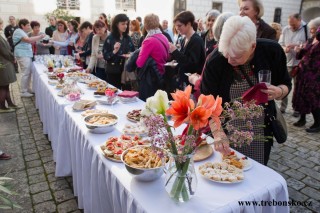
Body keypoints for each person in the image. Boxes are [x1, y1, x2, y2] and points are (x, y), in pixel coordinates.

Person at [201, 16, 291, 165]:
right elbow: (208, 103)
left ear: (253, 47)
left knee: (256, 170)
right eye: (226, 54)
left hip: (260, 129)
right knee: (225, 170)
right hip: (226, 128)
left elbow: (286, 83)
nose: (229, 60)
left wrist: (279, 91)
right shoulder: (215, 61)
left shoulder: (272, 51)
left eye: (236, 56)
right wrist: (218, 133)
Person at [189, 12, 234, 100]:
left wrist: (195, 80)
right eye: (209, 20)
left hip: (217, 99)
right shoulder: (203, 36)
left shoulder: (217, 54)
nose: (210, 22)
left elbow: (208, 89)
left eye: (213, 20)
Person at [292, 19, 320, 133]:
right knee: (301, 96)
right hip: (303, 73)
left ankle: (318, 123)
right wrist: (298, 50)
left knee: (313, 99)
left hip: (315, 76)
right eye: (310, 28)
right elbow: (300, 55)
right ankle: (302, 119)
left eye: (313, 28)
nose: (310, 30)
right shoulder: (310, 40)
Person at [278, 13, 309, 115]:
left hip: (300, 64)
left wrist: (298, 46)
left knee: (298, 87)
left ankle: (297, 109)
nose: (292, 27)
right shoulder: (286, 29)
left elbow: (310, 44)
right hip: (287, 62)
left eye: (294, 25)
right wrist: (285, 48)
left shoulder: (306, 29)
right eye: (290, 24)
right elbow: (280, 44)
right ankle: (283, 107)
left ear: (300, 20)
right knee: (285, 85)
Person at [134, 13, 169, 100]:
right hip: (162, 75)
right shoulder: (164, 37)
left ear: (145, 25)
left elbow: (139, 63)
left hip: (150, 79)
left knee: (147, 107)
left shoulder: (149, 40)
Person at [168, 11, 205, 92]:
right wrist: (175, 63)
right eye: (176, 26)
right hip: (184, 82)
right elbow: (183, 59)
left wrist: (175, 51)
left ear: (188, 24)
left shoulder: (196, 41)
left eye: (179, 25)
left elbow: (192, 64)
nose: (177, 28)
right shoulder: (184, 38)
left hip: (192, 85)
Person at [13, 18, 45, 98]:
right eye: (27, 25)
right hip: (23, 54)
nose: (29, 27)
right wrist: (40, 36)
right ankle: (23, 91)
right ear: (22, 25)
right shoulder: (18, 31)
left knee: (28, 72)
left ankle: (27, 88)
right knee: (25, 73)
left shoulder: (22, 32)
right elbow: (27, 40)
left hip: (26, 54)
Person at [103, 14, 135, 89]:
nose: (125, 26)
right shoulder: (110, 38)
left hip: (125, 71)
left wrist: (130, 54)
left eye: (126, 24)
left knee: (126, 95)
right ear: (116, 24)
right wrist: (114, 51)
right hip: (113, 71)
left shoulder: (128, 38)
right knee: (114, 93)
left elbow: (133, 52)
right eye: (123, 24)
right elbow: (105, 56)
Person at [0, 17, 19, 113]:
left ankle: (10, 103)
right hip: (3, 64)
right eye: (1, 23)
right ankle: (2, 107)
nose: (2, 25)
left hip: (4, 63)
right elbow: (5, 51)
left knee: (5, 86)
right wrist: (13, 58)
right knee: (3, 86)